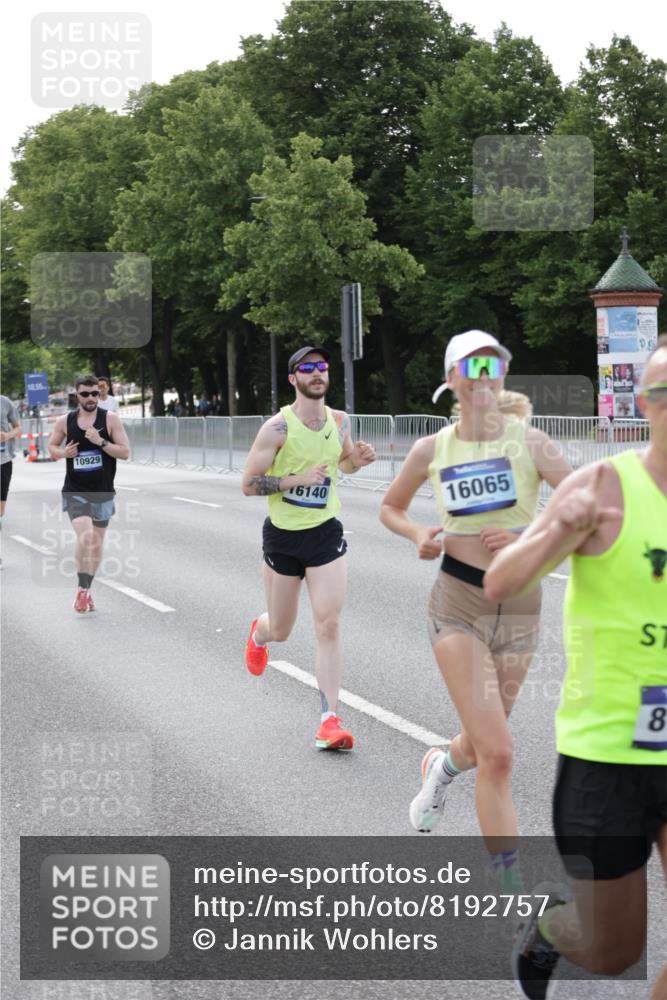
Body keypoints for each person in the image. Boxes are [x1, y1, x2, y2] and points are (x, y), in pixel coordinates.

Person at [484, 336, 667, 1000]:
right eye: (663, 393)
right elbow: (501, 581)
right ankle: (550, 932)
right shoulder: (603, 485)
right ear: (645, 405)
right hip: (607, 754)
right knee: (613, 950)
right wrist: (559, 527)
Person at [379, 330, 572, 895]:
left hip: (520, 607)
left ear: (502, 378)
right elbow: (390, 507)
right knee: (501, 754)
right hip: (458, 604)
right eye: (473, 367)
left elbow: (585, 504)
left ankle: (442, 767)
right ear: (453, 381)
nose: (485, 376)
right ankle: (513, 894)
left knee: (481, 744)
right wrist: (417, 531)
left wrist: (528, 534)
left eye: (494, 366)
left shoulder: (534, 445)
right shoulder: (432, 449)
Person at [242, 346, 376, 750]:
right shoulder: (276, 429)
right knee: (282, 628)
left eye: (322, 367)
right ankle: (259, 633)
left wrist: (359, 461)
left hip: (324, 534)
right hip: (282, 537)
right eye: (307, 368)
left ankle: (329, 720)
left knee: (328, 623)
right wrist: (294, 480)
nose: (317, 373)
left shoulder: (340, 420)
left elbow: (343, 465)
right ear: (293, 379)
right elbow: (249, 484)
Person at [48, 374, 130, 612]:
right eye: (86, 394)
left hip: (103, 492)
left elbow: (125, 452)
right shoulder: (65, 421)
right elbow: (51, 447)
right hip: (75, 490)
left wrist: (100, 441)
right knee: (86, 537)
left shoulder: (110, 419)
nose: (92, 397)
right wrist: (64, 453)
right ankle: (82, 591)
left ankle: (85, 589)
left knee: (95, 545)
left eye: (95, 393)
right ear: (77, 395)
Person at [1, 394, 21, 559]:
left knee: (0, 512)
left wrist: (7, 436)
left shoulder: (5, 402)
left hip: (3, 461)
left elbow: (17, 427)